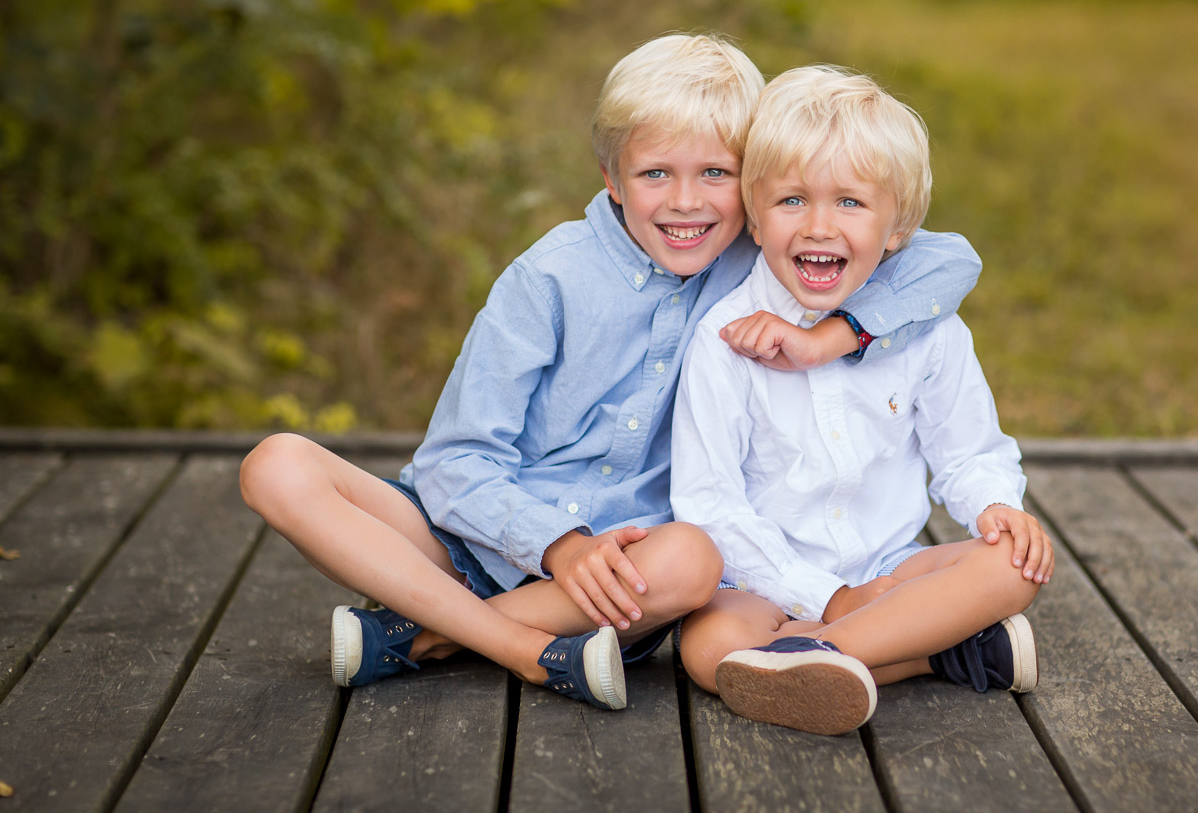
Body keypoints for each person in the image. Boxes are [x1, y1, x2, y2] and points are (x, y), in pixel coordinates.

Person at [238, 35, 983, 710]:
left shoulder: (755, 262)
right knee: (277, 464)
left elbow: (948, 259)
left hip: (631, 573)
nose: (686, 202)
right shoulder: (549, 278)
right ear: (612, 178)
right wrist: (557, 543)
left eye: (716, 174)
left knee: (694, 557)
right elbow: (455, 464)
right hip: (471, 540)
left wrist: (834, 336)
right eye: (656, 173)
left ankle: (426, 632)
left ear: (754, 187)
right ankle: (521, 649)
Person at [670, 65, 1054, 736]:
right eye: (791, 201)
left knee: (1011, 565)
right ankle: (936, 650)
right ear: (754, 220)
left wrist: (996, 506)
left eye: (850, 203)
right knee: (706, 647)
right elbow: (710, 505)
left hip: (891, 572)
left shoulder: (929, 331)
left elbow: (966, 452)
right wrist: (828, 598)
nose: (819, 226)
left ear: (897, 226)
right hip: (767, 588)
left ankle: (823, 661)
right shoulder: (725, 339)